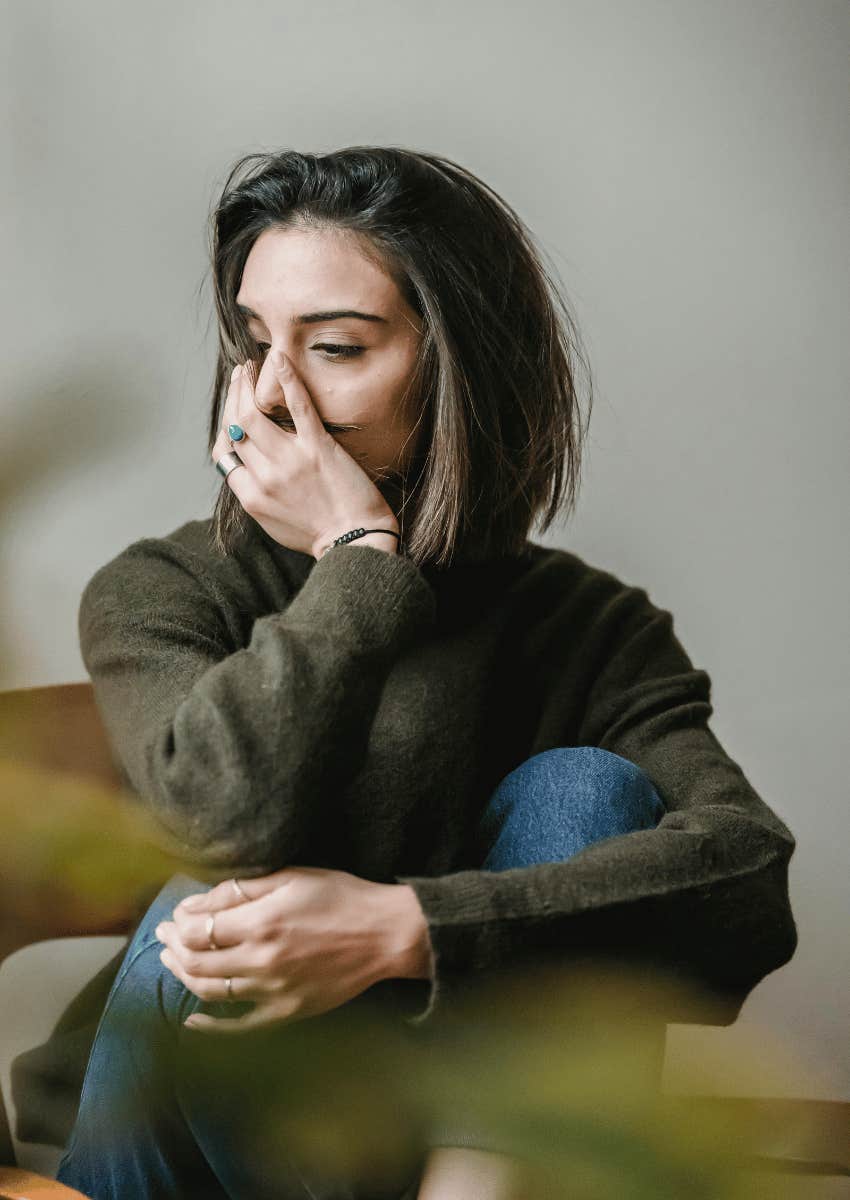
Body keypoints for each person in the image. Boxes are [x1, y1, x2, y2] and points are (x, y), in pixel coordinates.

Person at [53, 145, 797, 1199]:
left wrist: (408, 931)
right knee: (215, 903)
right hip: (179, 1142)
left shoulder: (582, 628)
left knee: (583, 788)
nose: (271, 395)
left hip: (451, 1153)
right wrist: (360, 566)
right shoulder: (164, 590)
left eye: (337, 348)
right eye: (254, 343)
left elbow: (745, 885)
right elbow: (221, 826)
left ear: (461, 367)